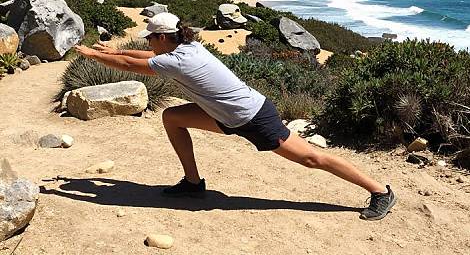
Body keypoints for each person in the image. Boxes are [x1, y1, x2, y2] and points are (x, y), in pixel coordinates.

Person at [75, 12, 397, 220]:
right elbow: (143, 56)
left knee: (311, 158)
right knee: (173, 117)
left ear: (162, 37)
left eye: (150, 37)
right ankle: (192, 183)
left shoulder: (176, 61)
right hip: (226, 116)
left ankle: (380, 192)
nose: (148, 42)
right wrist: (113, 51)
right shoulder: (187, 47)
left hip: (252, 117)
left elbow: (136, 66)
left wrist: (93, 54)